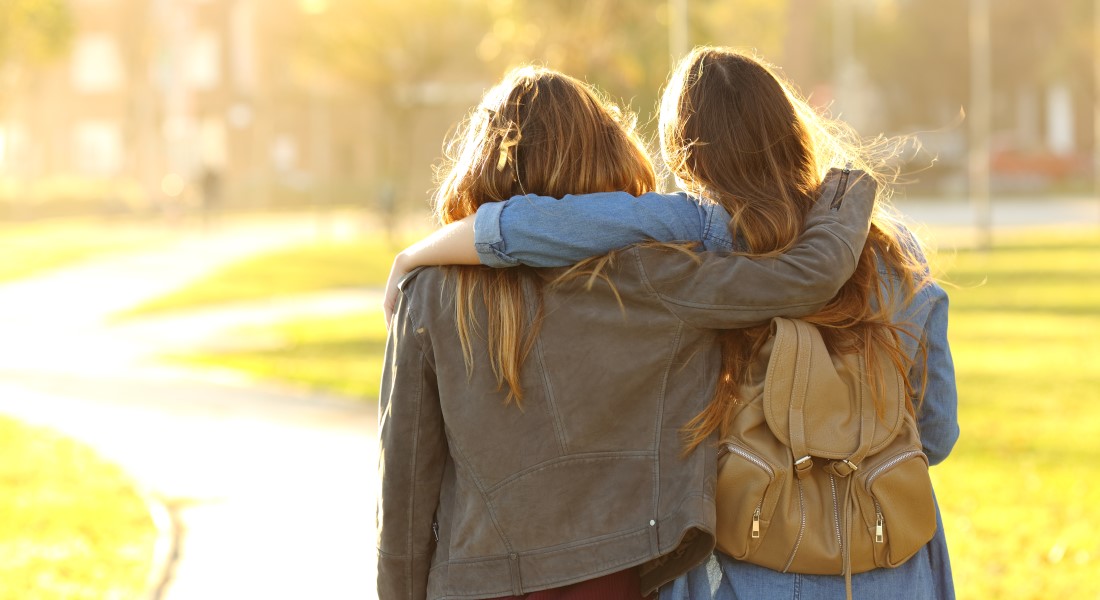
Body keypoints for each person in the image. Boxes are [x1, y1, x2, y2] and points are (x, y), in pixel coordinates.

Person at [383, 48, 959, 600]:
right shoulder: (893, 251)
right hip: (893, 552)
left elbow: (550, 223)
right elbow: (936, 431)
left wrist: (417, 255)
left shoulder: (692, 235)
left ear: (686, 157)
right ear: (793, 130)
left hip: (746, 556)